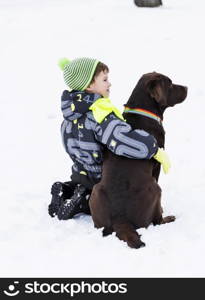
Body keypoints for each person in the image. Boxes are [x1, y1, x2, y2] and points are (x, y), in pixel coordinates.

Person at [48, 57, 170, 220]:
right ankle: (83, 201)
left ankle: (66, 190)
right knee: (102, 201)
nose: (109, 84)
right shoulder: (99, 114)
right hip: (100, 177)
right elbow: (121, 140)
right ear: (90, 85)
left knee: (80, 184)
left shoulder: (69, 118)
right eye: (104, 80)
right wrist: (152, 148)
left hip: (78, 172)